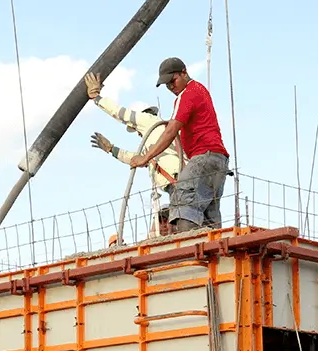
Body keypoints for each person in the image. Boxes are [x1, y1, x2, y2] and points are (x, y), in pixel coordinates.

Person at [127, 57, 229, 231]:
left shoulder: (188, 94)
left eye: (173, 81)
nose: (171, 87)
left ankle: (187, 251)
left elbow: (171, 131)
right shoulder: (200, 90)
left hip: (204, 157)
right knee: (208, 215)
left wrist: (145, 158)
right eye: (167, 85)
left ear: (184, 72)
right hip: (219, 161)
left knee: (183, 205)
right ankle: (213, 250)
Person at [83, 73, 181, 235]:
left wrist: (97, 98)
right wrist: (112, 149)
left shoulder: (147, 121)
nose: (136, 133)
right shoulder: (157, 140)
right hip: (176, 182)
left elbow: (121, 113)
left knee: (185, 221)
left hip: (177, 181)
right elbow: (136, 158)